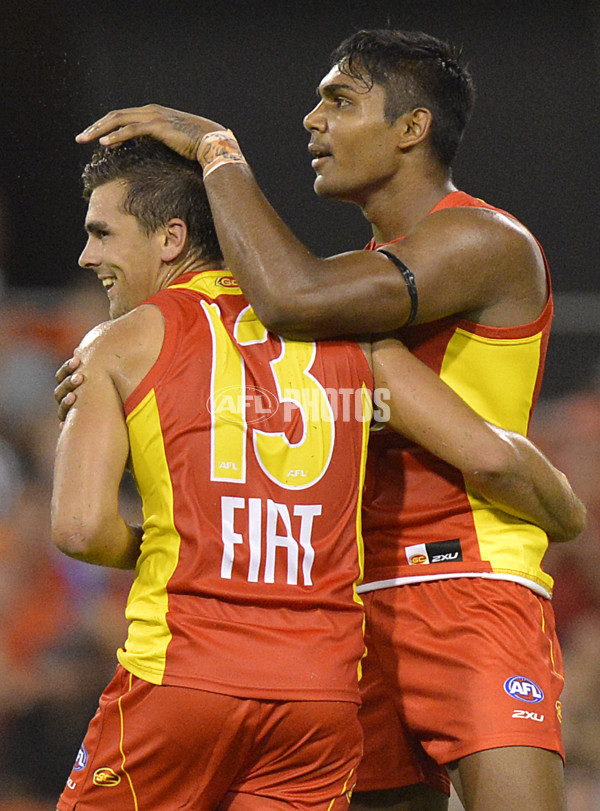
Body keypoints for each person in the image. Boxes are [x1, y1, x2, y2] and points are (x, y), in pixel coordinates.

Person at [68, 29, 584, 808]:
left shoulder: (484, 238)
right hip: (343, 605)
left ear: (411, 128)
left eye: (339, 100)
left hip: (467, 579)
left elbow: (286, 296)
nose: (312, 120)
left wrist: (215, 150)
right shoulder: (355, 284)